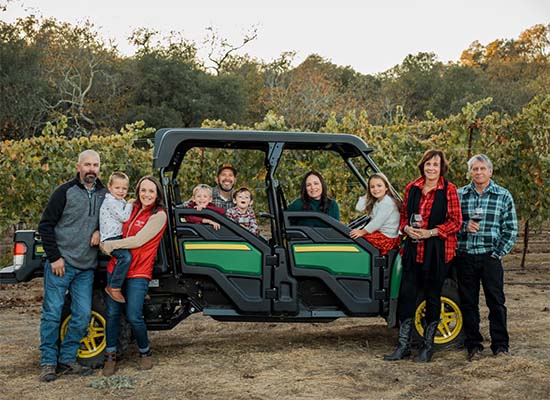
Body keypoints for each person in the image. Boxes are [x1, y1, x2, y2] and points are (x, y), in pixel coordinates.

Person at [384, 149, 462, 363]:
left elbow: (456, 222)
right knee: (407, 296)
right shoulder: (412, 188)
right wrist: (407, 229)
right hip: (413, 250)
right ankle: (403, 346)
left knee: (433, 297)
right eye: (428, 164)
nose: (431, 168)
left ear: (441, 168)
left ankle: (427, 348)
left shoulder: (449, 190)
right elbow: (403, 217)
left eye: (435, 165)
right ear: (422, 166)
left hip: (437, 252)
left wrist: (431, 232)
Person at [37, 149, 107, 382]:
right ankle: (48, 362)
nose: (91, 170)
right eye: (87, 165)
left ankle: (67, 358)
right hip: (62, 264)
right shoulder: (64, 192)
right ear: (78, 167)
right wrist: (55, 257)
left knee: (82, 315)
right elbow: (46, 226)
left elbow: (110, 220)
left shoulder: (104, 194)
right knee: (53, 313)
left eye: (95, 165)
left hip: (86, 268)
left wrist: (99, 230)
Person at [99, 176, 168, 376]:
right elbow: (108, 223)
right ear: (137, 191)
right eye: (143, 190)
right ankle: (110, 355)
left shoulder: (159, 215)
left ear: (157, 195)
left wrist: (110, 246)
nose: (146, 194)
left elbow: (138, 240)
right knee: (112, 314)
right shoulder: (128, 207)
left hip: (139, 271)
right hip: (117, 267)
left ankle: (145, 352)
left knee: (133, 315)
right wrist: (98, 234)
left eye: (151, 191)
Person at [456, 154, 518, 361]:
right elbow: (450, 225)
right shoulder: (459, 195)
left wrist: (498, 253)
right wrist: (465, 227)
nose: (479, 172)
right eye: (475, 169)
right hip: (465, 256)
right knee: (468, 303)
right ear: (470, 172)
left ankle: (500, 345)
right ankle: (473, 344)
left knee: (496, 302)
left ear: (490, 171)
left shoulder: (503, 195)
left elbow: (511, 228)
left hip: (490, 257)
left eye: (483, 169)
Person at [100, 172, 133, 303]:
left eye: (124, 188)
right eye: (117, 188)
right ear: (110, 187)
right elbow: (124, 217)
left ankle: (133, 289)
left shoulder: (120, 201)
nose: (121, 191)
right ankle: (113, 286)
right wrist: (130, 204)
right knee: (125, 257)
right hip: (110, 239)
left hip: (117, 237)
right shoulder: (110, 202)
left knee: (134, 255)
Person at [349, 173, 401, 255]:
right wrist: (367, 195)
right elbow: (359, 208)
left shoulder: (387, 202)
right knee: (353, 236)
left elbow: (376, 222)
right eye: (372, 187)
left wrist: (361, 232)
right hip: (379, 233)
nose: (376, 189)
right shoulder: (378, 201)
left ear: (386, 187)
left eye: (379, 186)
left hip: (387, 238)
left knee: (356, 240)